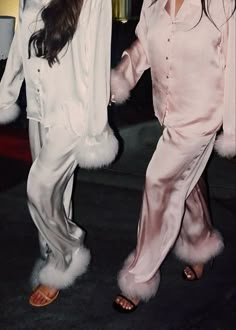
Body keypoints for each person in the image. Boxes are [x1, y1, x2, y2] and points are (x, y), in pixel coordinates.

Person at [111, 0, 235, 312]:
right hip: (169, 114)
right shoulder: (154, 3)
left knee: (160, 181)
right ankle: (199, 242)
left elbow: (233, 64)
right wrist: (118, 80)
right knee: (186, 182)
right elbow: (142, 49)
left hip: (202, 117)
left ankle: (140, 275)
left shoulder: (223, 5)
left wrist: (232, 128)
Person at [0, 0, 118, 307]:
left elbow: (97, 58)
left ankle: (67, 249)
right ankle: (51, 256)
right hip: (39, 109)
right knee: (55, 194)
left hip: (73, 114)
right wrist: (5, 93)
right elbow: (20, 45)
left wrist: (95, 127)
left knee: (38, 188)